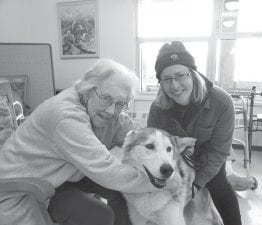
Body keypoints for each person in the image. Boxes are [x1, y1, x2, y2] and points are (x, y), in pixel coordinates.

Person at [0, 59, 158, 225]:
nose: (111, 110)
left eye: (120, 103)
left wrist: (169, 159)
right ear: (88, 90)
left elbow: (141, 137)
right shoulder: (66, 115)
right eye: (106, 98)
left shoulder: (108, 112)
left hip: (62, 176)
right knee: (99, 215)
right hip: (22, 187)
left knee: (124, 192)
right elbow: (106, 170)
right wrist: (159, 183)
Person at [147, 41, 242, 225]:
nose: (174, 85)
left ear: (193, 74)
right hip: (176, 159)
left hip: (209, 157)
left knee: (219, 185)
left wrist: (195, 184)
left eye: (180, 75)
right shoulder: (157, 108)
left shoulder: (221, 102)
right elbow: (155, 149)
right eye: (166, 79)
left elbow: (218, 153)